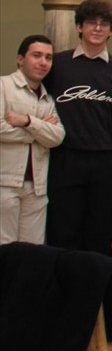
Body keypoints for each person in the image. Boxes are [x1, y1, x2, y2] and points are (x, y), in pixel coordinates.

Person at [44, 0, 112, 257]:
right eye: (91, 23)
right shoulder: (59, 65)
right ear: (79, 27)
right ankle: (62, 293)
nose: (97, 28)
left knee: (99, 233)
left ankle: (93, 293)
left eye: (103, 24)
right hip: (65, 158)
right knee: (62, 230)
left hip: (105, 163)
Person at [0, 35, 65, 244]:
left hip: (37, 187)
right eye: (36, 55)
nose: (43, 62)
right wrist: (40, 130)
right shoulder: (3, 86)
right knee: (5, 249)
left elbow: (57, 137)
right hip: (5, 183)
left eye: (48, 57)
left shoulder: (47, 96)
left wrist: (28, 121)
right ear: (20, 59)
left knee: (33, 254)